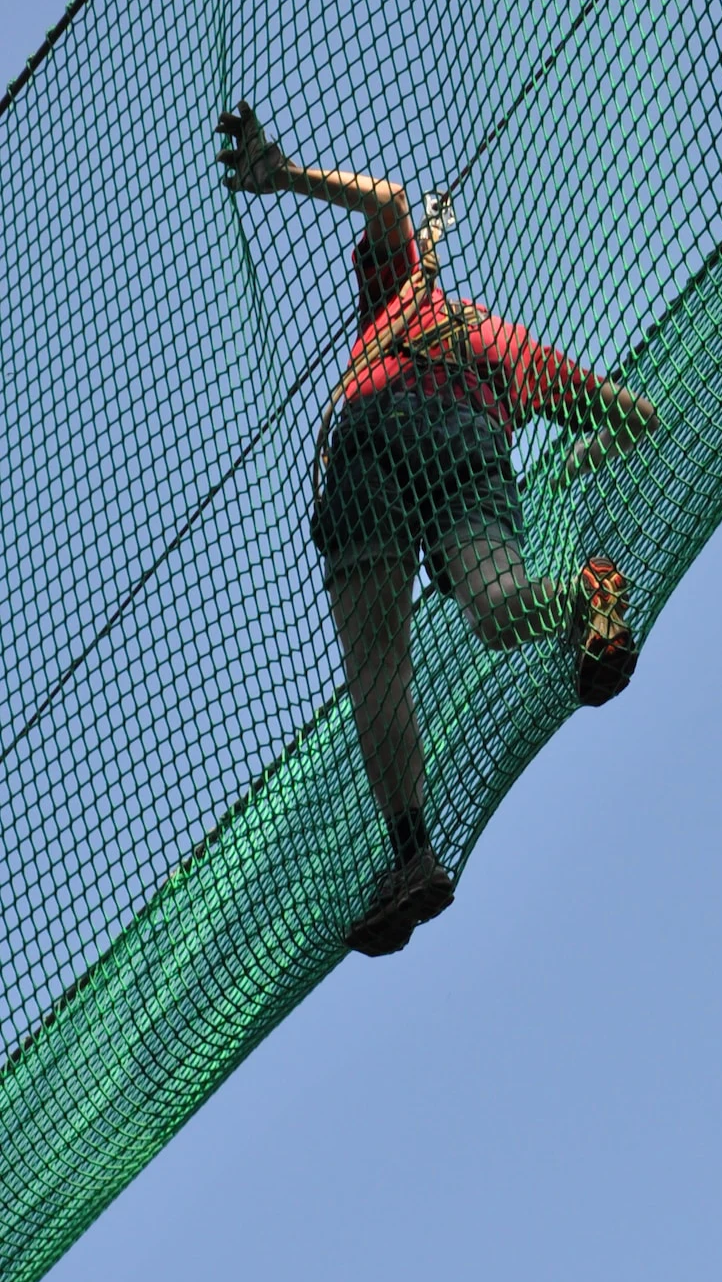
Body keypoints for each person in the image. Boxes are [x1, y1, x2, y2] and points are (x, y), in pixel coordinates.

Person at [218, 102, 658, 957]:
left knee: (378, 662)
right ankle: (583, 596)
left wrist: (279, 173)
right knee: (498, 609)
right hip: (471, 444)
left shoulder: (395, 292)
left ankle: (412, 853)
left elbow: (386, 201)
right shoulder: (512, 346)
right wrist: (582, 453)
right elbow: (634, 413)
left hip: (378, 436)